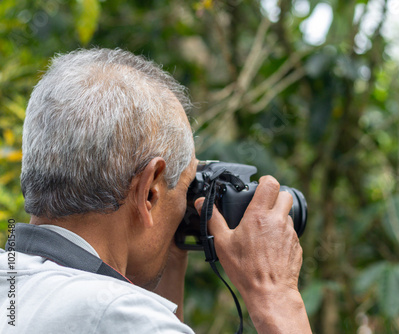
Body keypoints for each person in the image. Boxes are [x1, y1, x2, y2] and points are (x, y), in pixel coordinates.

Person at [0, 48, 312, 333]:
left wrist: (169, 256)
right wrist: (276, 297)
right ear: (149, 191)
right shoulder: (120, 316)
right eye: (185, 188)